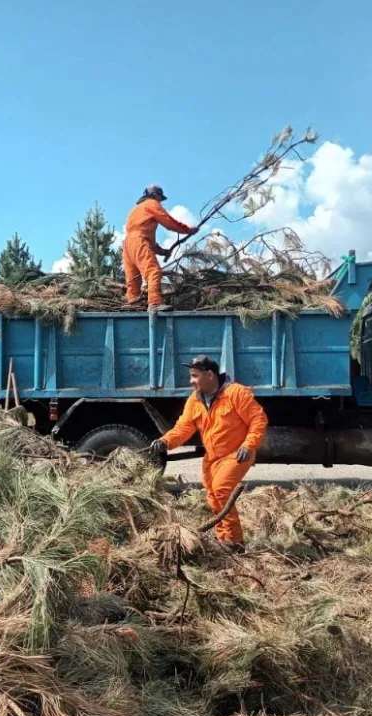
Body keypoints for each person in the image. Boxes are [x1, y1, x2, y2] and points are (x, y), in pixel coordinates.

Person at [150, 356, 268, 552]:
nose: (191, 381)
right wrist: (165, 441)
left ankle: (235, 541)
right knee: (213, 496)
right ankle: (223, 538)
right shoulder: (194, 400)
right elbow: (183, 428)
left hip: (237, 454)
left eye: (195, 376)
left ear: (210, 375)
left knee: (221, 489)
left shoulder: (236, 393)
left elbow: (258, 420)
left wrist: (249, 445)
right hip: (212, 458)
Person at [123, 184, 198, 312]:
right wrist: (187, 230)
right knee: (153, 271)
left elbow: (146, 238)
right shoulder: (152, 204)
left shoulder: (136, 210)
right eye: (159, 197)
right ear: (154, 195)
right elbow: (168, 222)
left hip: (128, 244)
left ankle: (132, 303)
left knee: (133, 278)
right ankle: (154, 303)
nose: (160, 201)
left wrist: (162, 251)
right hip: (139, 240)